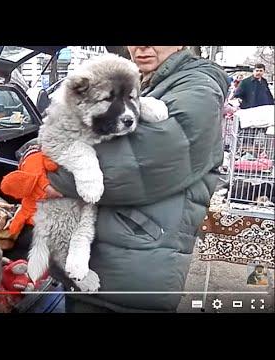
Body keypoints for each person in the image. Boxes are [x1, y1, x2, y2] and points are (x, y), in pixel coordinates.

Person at [23, 46, 229, 312]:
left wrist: (48, 170)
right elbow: (78, 125)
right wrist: (39, 148)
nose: (141, 46)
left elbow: (139, 162)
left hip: (132, 270)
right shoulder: (147, 78)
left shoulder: (198, 88)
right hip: (107, 262)